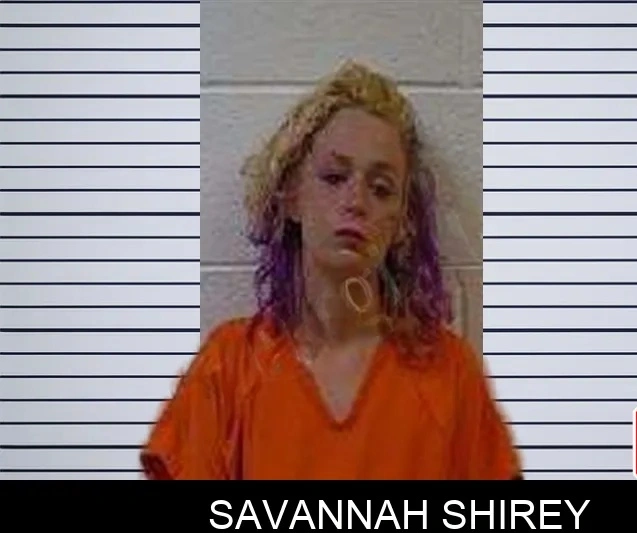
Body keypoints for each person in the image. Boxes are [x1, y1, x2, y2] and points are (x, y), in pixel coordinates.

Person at [140, 60, 522, 480]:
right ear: (290, 195)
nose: (355, 201)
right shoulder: (227, 368)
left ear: (403, 223)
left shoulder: (450, 374)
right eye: (334, 177)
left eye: (381, 189)